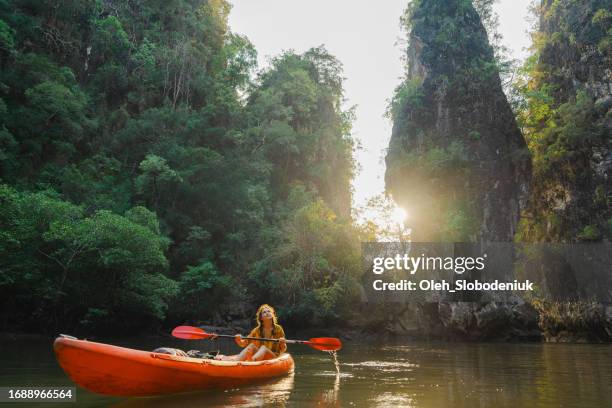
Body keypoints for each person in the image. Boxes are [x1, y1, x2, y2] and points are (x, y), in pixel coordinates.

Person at [215, 304, 287, 361]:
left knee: (263, 347)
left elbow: (283, 349)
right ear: (261, 318)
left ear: (273, 315)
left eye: (269, 311)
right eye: (264, 312)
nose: (267, 313)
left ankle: (252, 362)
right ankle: (235, 362)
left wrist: (282, 343)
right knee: (251, 346)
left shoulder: (278, 329)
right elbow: (244, 343)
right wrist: (238, 340)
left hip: (273, 356)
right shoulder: (256, 330)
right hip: (260, 355)